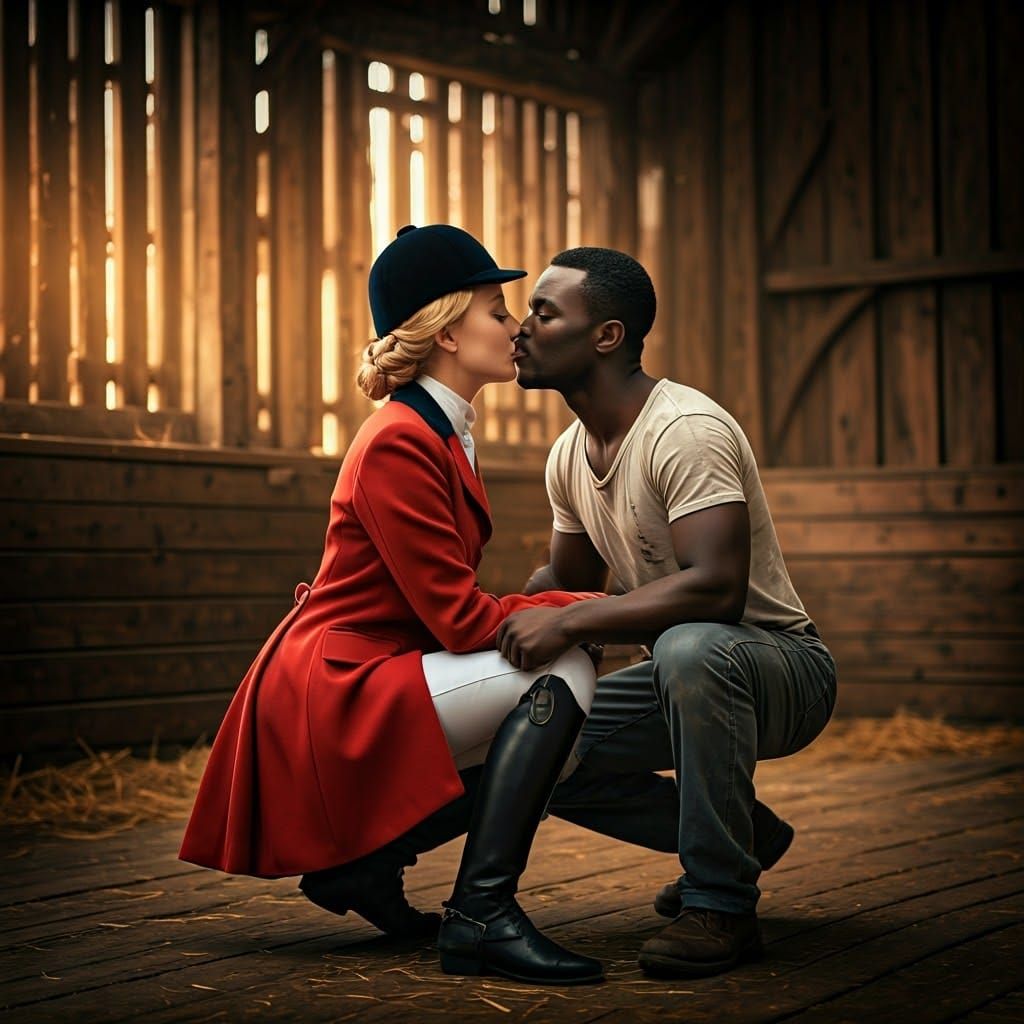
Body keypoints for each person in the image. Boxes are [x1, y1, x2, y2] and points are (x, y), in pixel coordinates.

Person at [179, 225, 606, 986]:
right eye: (496, 310)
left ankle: (369, 867)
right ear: (447, 331)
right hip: (336, 685)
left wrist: (574, 609)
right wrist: (592, 608)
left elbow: (450, 612)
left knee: (559, 725)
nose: (514, 328)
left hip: (377, 667)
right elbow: (459, 619)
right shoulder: (399, 440)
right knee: (562, 668)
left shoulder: (439, 431)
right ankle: (482, 914)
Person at [499, 246, 837, 979]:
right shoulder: (570, 453)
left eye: (545, 311)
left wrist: (565, 624)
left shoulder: (683, 429)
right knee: (547, 741)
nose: (519, 328)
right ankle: (742, 834)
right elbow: (568, 582)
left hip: (782, 669)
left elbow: (716, 587)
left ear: (606, 336)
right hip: (682, 677)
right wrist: (501, 618)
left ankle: (720, 903)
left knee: (688, 645)